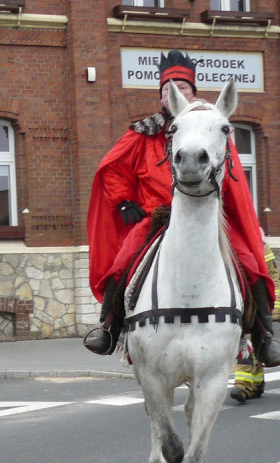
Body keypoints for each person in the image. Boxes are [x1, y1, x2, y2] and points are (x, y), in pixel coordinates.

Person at [86, 50, 278, 365]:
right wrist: (124, 202)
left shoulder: (213, 130)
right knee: (122, 260)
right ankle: (109, 326)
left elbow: (230, 178)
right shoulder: (143, 133)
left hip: (207, 215)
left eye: (181, 87)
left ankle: (263, 335)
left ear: (192, 92)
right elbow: (112, 170)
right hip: (156, 217)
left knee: (248, 259)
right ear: (164, 98)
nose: (173, 92)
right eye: (166, 89)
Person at [231, 236, 280, 403]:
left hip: (257, 303)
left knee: (248, 341)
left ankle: (242, 384)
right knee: (251, 341)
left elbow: (273, 276)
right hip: (237, 302)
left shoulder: (261, 246)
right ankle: (257, 383)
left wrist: (275, 309)